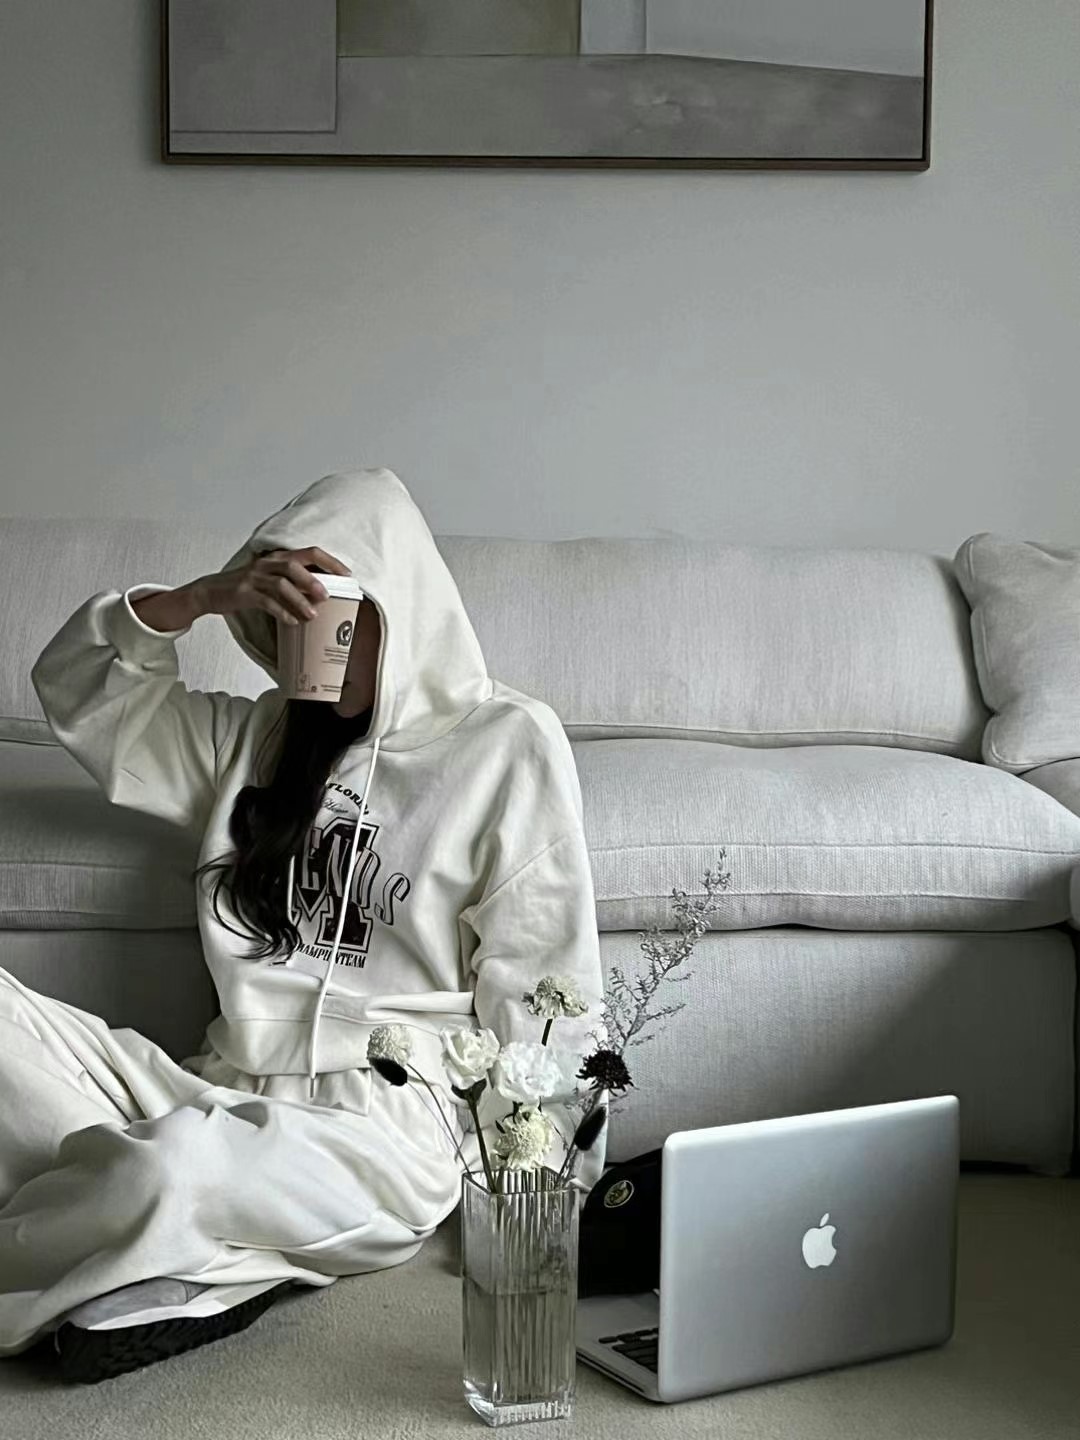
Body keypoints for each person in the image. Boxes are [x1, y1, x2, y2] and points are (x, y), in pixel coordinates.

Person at [0, 468, 606, 1381]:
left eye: (336, 608)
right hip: (212, 1087)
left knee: (170, 1169)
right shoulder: (257, 739)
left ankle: (167, 1231)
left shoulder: (507, 745)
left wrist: (538, 1205)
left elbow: (549, 994)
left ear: (399, 606)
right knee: (127, 1121)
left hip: (383, 1133)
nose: (310, 635)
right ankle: (200, 1264)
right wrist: (200, 600)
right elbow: (80, 693)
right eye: (288, 611)